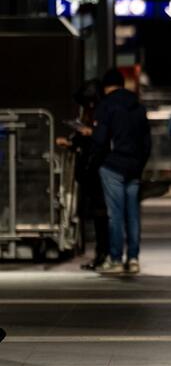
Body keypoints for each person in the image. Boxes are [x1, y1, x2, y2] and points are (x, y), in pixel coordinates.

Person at [89, 68, 151, 275]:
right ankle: (133, 258)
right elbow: (146, 142)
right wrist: (139, 164)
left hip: (112, 165)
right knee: (132, 215)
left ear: (106, 86)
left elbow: (100, 140)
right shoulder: (138, 106)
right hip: (133, 166)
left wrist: (97, 161)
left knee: (115, 215)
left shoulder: (105, 106)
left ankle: (116, 258)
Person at [57, 79, 109, 270]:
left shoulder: (101, 114)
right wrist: (74, 142)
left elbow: (100, 140)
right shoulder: (93, 113)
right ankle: (102, 253)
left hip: (97, 168)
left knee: (101, 213)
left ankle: (104, 253)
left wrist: (89, 135)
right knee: (98, 214)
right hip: (91, 169)